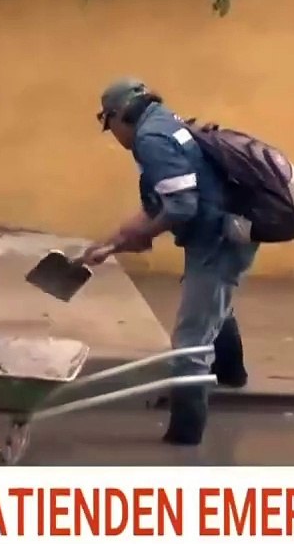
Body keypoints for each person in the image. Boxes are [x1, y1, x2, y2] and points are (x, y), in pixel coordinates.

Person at [76, 79, 258, 446]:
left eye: (107, 124)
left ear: (117, 116)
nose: (112, 134)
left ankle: (185, 435)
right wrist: (112, 244)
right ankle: (231, 372)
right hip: (222, 232)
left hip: (218, 238)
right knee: (211, 300)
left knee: (190, 340)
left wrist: (144, 235)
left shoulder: (151, 139)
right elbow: (161, 203)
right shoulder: (165, 123)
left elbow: (180, 206)